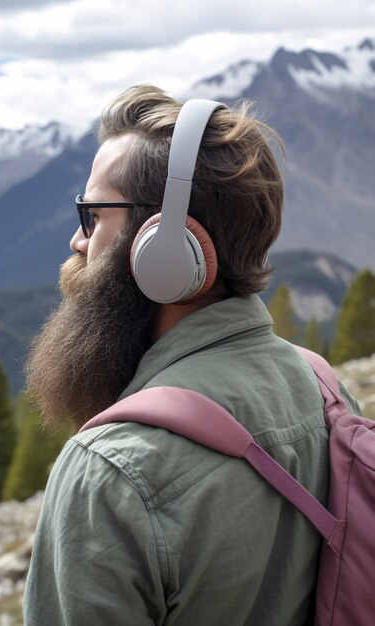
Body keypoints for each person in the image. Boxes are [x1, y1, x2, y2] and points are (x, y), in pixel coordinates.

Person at [23, 85, 360, 626]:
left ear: (165, 248)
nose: (76, 240)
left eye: (92, 215)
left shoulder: (111, 469)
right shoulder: (322, 386)